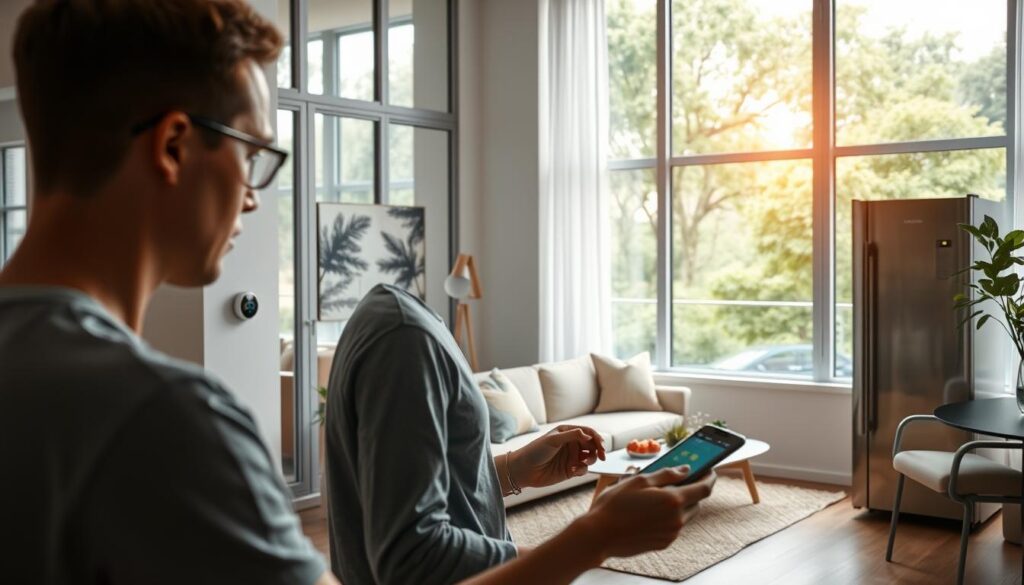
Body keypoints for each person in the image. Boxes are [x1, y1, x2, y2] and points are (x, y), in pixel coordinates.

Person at [0, 1, 336, 583]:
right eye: (251, 153)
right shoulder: (167, 419)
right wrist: (555, 547)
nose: (253, 197)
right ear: (174, 145)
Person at [326, 284, 717, 585]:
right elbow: (411, 562)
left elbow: (412, 489)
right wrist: (595, 539)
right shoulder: (405, 340)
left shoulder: (399, 323)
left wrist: (516, 469)